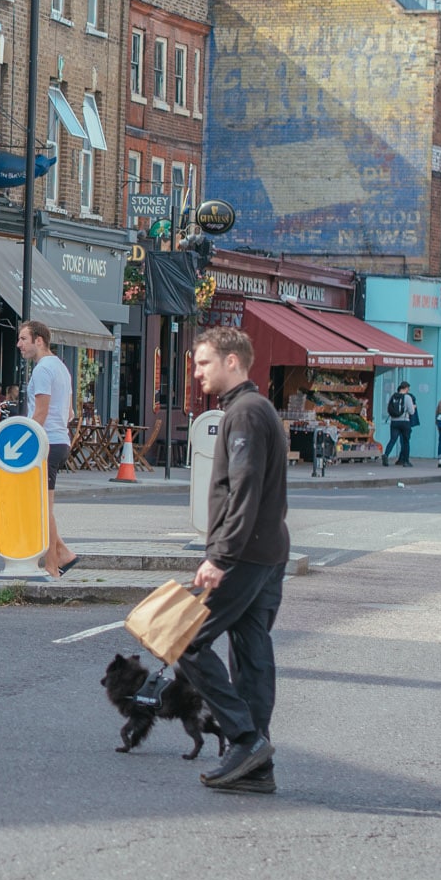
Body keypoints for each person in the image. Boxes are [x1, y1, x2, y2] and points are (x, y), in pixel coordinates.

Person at [182, 325, 289, 793]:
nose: (197, 371)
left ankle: (245, 738)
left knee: (185, 640)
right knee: (251, 652)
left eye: (204, 362)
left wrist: (220, 557)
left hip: (244, 553)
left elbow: (242, 489)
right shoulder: (256, 409)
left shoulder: (243, 414)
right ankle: (256, 766)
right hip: (266, 551)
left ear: (232, 361)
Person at [20, 322, 79, 576]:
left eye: (23, 339)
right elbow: (70, 413)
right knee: (43, 506)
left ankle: (54, 565)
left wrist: (24, 441)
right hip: (59, 440)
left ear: (39, 340)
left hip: (46, 443)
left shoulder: (42, 370)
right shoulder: (61, 368)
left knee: (43, 509)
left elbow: (41, 412)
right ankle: (62, 553)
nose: (19, 344)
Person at [385, 381, 418, 467]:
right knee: (406, 441)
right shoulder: (407, 397)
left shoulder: (393, 396)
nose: (408, 390)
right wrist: (413, 407)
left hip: (394, 422)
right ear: (406, 388)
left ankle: (386, 455)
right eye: (408, 388)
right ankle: (406, 461)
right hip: (404, 422)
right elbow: (411, 412)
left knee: (392, 440)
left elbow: (389, 408)